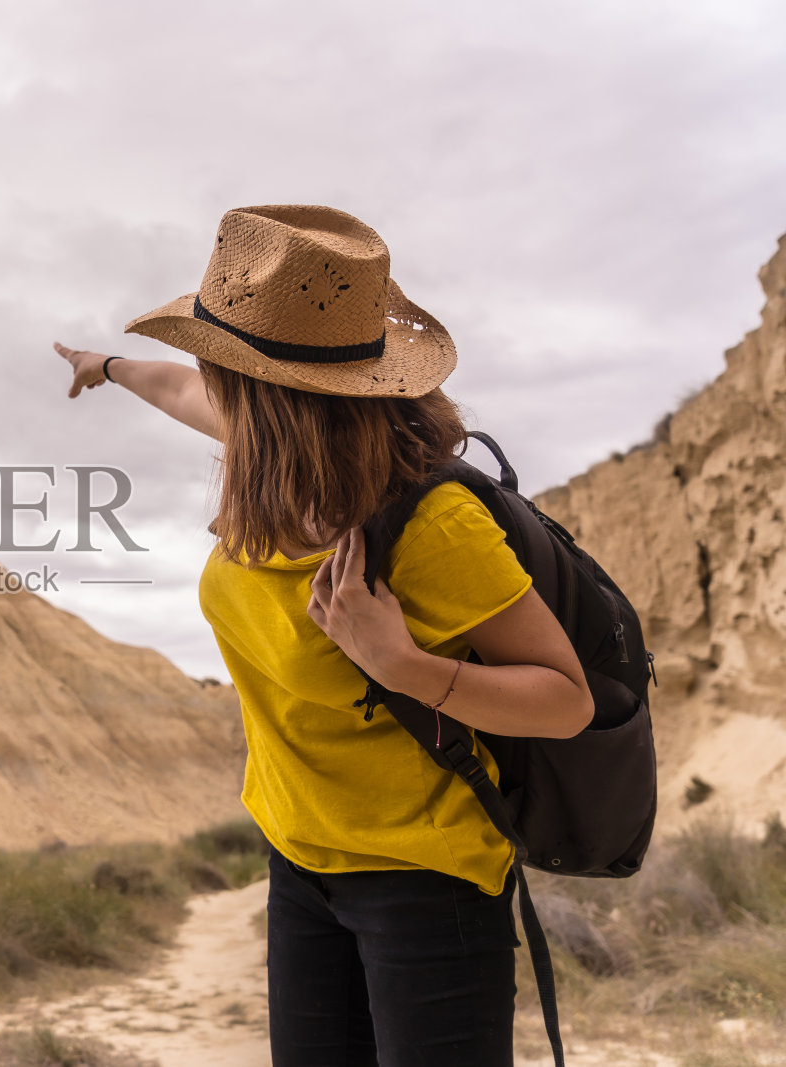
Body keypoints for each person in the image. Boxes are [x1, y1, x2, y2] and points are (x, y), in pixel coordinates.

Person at [54, 205, 592, 1067]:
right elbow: (179, 389)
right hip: (298, 859)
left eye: (223, 361)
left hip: (424, 880)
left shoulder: (434, 523)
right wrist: (106, 366)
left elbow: (567, 700)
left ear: (269, 392)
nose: (207, 376)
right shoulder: (267, 451)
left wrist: (402, 665)